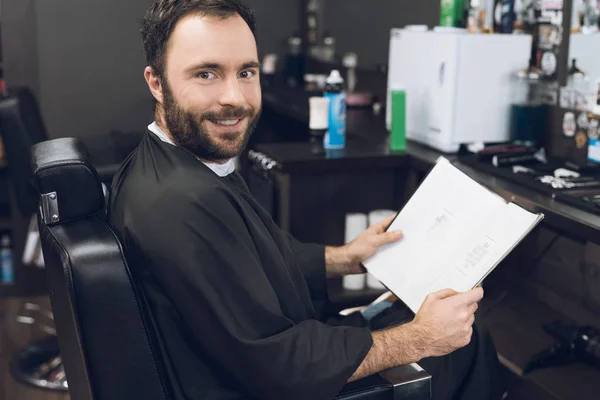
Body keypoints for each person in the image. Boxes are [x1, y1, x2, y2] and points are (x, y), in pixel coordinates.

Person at [108, 1, 504, 399]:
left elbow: (247, 265)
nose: (234, 97)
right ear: (156, 82)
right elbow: (280, 367)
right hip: (262, 385)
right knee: (465, 341)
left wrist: (346, 257)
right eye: (206, 74)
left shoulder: (170, 165)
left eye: (246, 72)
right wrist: (420, 338)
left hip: (256, 364)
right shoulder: (180, 204)